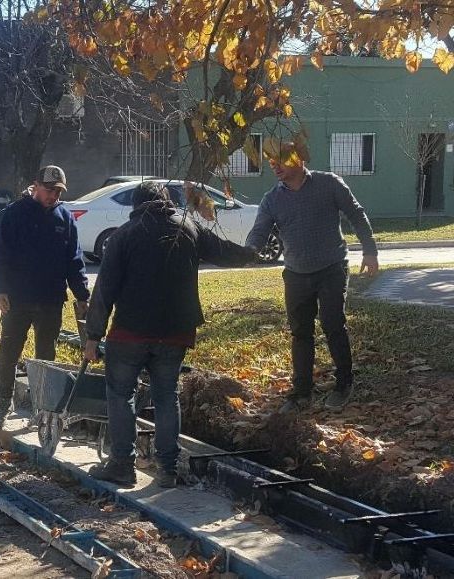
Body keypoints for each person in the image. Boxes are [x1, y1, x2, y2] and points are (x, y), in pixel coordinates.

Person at [84, 181, 257, 488]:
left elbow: (104, 290)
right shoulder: (187, 228)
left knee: (121, 395)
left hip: (130, 333)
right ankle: (168, 468)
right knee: (166, 396)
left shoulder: (125, 234)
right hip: (175, 333)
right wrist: (253, 252)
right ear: (167, 201)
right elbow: (226, 253)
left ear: (135, 205)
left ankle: (123, 465)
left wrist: (93, 337)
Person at [246, 140, 378, 414]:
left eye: (280, 160)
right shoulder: (272, 199)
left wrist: (370, 251)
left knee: (333, 324)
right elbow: (259, 232)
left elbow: (356, 214)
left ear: (298, 159)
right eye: (271, 162)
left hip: (331, 268)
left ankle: (343, 384)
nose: (275, 166)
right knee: (300, 333)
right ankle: (302, 392)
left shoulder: (329, 184)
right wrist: (248, 251)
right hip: (295, 274)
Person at [0, 165, 90, 429]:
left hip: (50, 300)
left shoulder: (65, 218)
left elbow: (74, 261)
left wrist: (82, 295)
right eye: (49, 190)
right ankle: (3, 401)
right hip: (16, 299)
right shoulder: (13, 215)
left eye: (58, 191)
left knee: (46, 356)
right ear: (36, 186)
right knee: (8, 353)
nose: (53, 196)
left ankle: (42, 407)